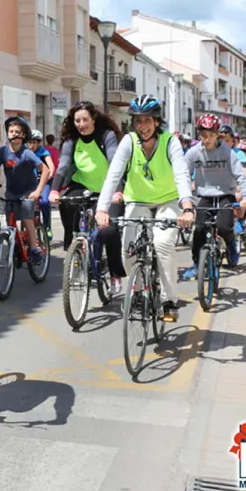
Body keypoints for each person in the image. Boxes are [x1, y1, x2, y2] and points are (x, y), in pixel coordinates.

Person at [95, 95, 195, 321]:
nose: (142, 126)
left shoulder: (171, 142)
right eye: (138, 121)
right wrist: (102, 209)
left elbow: (181, 174)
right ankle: (138, 291)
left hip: (168, 201)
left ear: (157, 121)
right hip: (137, 201)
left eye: (147, 120)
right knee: (127, 249)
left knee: (163, 244)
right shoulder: (129, 141)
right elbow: (113, 175)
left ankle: (170, 300)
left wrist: (187, 207)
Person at [49, 100, 127, 293]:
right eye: (77, 120)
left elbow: (114, 163)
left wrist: (117, 191)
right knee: (67, 203)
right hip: (82, 185)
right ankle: (73, 247)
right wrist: (54, 190)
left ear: (93, 119)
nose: (81, 124)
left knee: (108, 230)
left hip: (108, 189)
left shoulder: (106, 136)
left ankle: (115, 273)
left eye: (85, 119)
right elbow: (64, 165)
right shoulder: (71, 140)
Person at [182, 114, 246, 281]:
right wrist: (183, 197)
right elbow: (182, 174)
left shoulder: (227, 152)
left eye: (211, 136)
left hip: (225, 195)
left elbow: (241, 176)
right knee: (199, 230)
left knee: (223, 227)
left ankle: (231, 245)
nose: (206, 140)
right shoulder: (193, 152)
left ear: (217, 135)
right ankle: (196, 263)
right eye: (203, 135)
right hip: (203, 195)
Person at [0, 116, 50, 264]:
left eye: (17, 131)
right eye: (11, 131)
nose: (14, 134)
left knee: (26, 218)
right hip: (11, 192)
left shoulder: (27, 154)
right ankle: (15, 246)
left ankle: (33, 248)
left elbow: (46, 170)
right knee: (10, 221)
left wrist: (38, 191)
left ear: (24, 135)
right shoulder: (2, 152)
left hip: (28, 191)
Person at [27, 129, 56, 240]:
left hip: (44, 182)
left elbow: (51, 166)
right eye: (29, 142)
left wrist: (50, 174)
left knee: (44, 202)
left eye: (34, 142)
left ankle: (47, 227)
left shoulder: (43, 152)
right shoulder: (26, 153)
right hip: (31, 182)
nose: (31, 145)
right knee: (29, 203)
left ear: (38, 143)